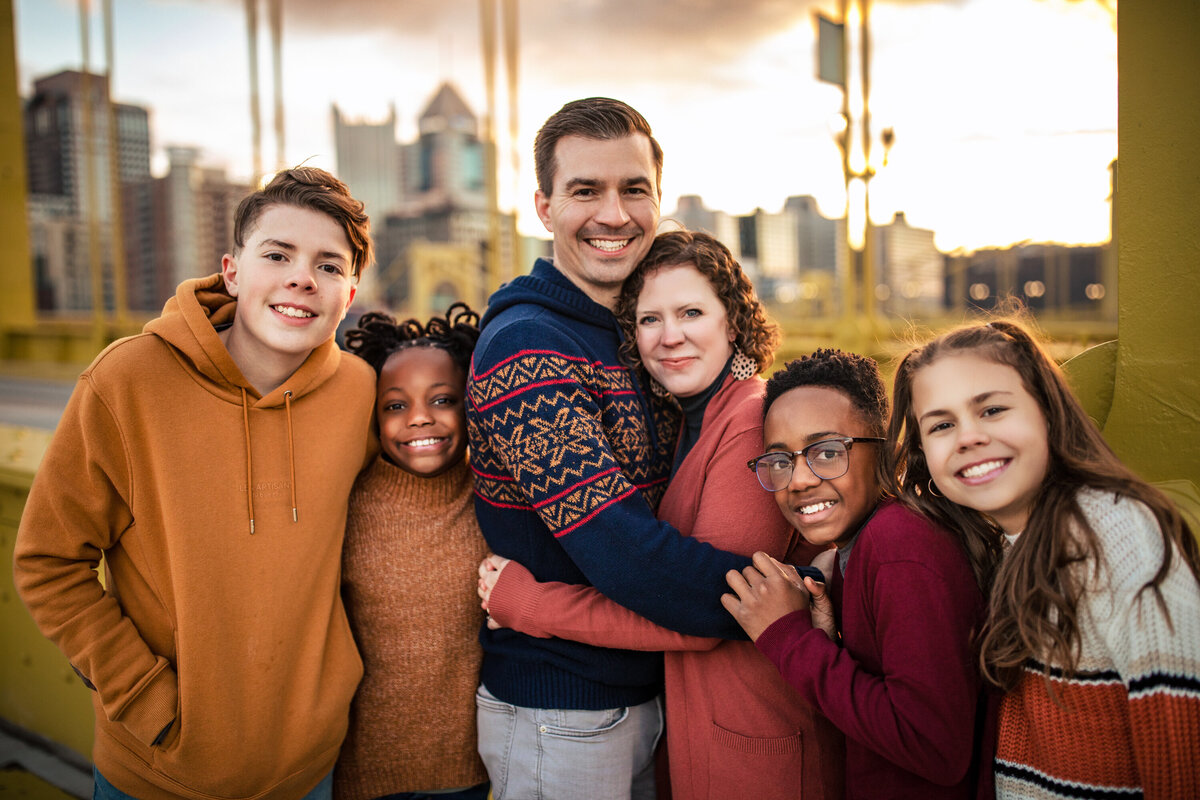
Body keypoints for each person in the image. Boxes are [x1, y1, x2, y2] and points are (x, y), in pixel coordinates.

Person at [14, 167, 375, 800]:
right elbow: (48, 562)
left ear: (348, 296)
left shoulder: (361, 393)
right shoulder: (128, 380)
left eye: (328, 265)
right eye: (278, 255)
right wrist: (143, 697)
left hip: (311, 767)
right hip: (158, 775)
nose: (302, 278)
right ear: (231, 272)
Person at [477, 230, 845, 799]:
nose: (670, 336)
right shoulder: (688, 420)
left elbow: (708, 606)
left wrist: (528, 603)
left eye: (691, 312)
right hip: (707, 728)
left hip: (758, 743)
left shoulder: (750, 423)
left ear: (734, 322)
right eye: (650, 319)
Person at [466, 98, 753, 799]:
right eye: (585, 191)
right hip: (563, 712)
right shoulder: (528, 348)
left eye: (634, 189)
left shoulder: (639, 329)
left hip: (656, 692)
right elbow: (625, 555)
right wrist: (799, 598)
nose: (614, 215)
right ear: (544, 207)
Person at [886, 319, 1200, 800]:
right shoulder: (1002, 544)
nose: (968, 437)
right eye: (942, 425)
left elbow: (1183, 747)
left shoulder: (1115, 535)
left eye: (992, 409)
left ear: (1048, 412)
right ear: (923, 453)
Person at [721, 349, 990, 800]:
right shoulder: (865, 545)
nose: (799, 480)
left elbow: (935, 746)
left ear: (884, 449)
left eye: (827, 452)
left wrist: (791, 640)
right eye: (780, 461)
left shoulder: (899, 543)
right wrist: (830, 644)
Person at [334, 305, 490, 800]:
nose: (420, 417)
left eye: (442, 399)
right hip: (361, 772)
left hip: (469, 771)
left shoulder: (496, 500)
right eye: (396, 406)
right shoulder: (343, 504)